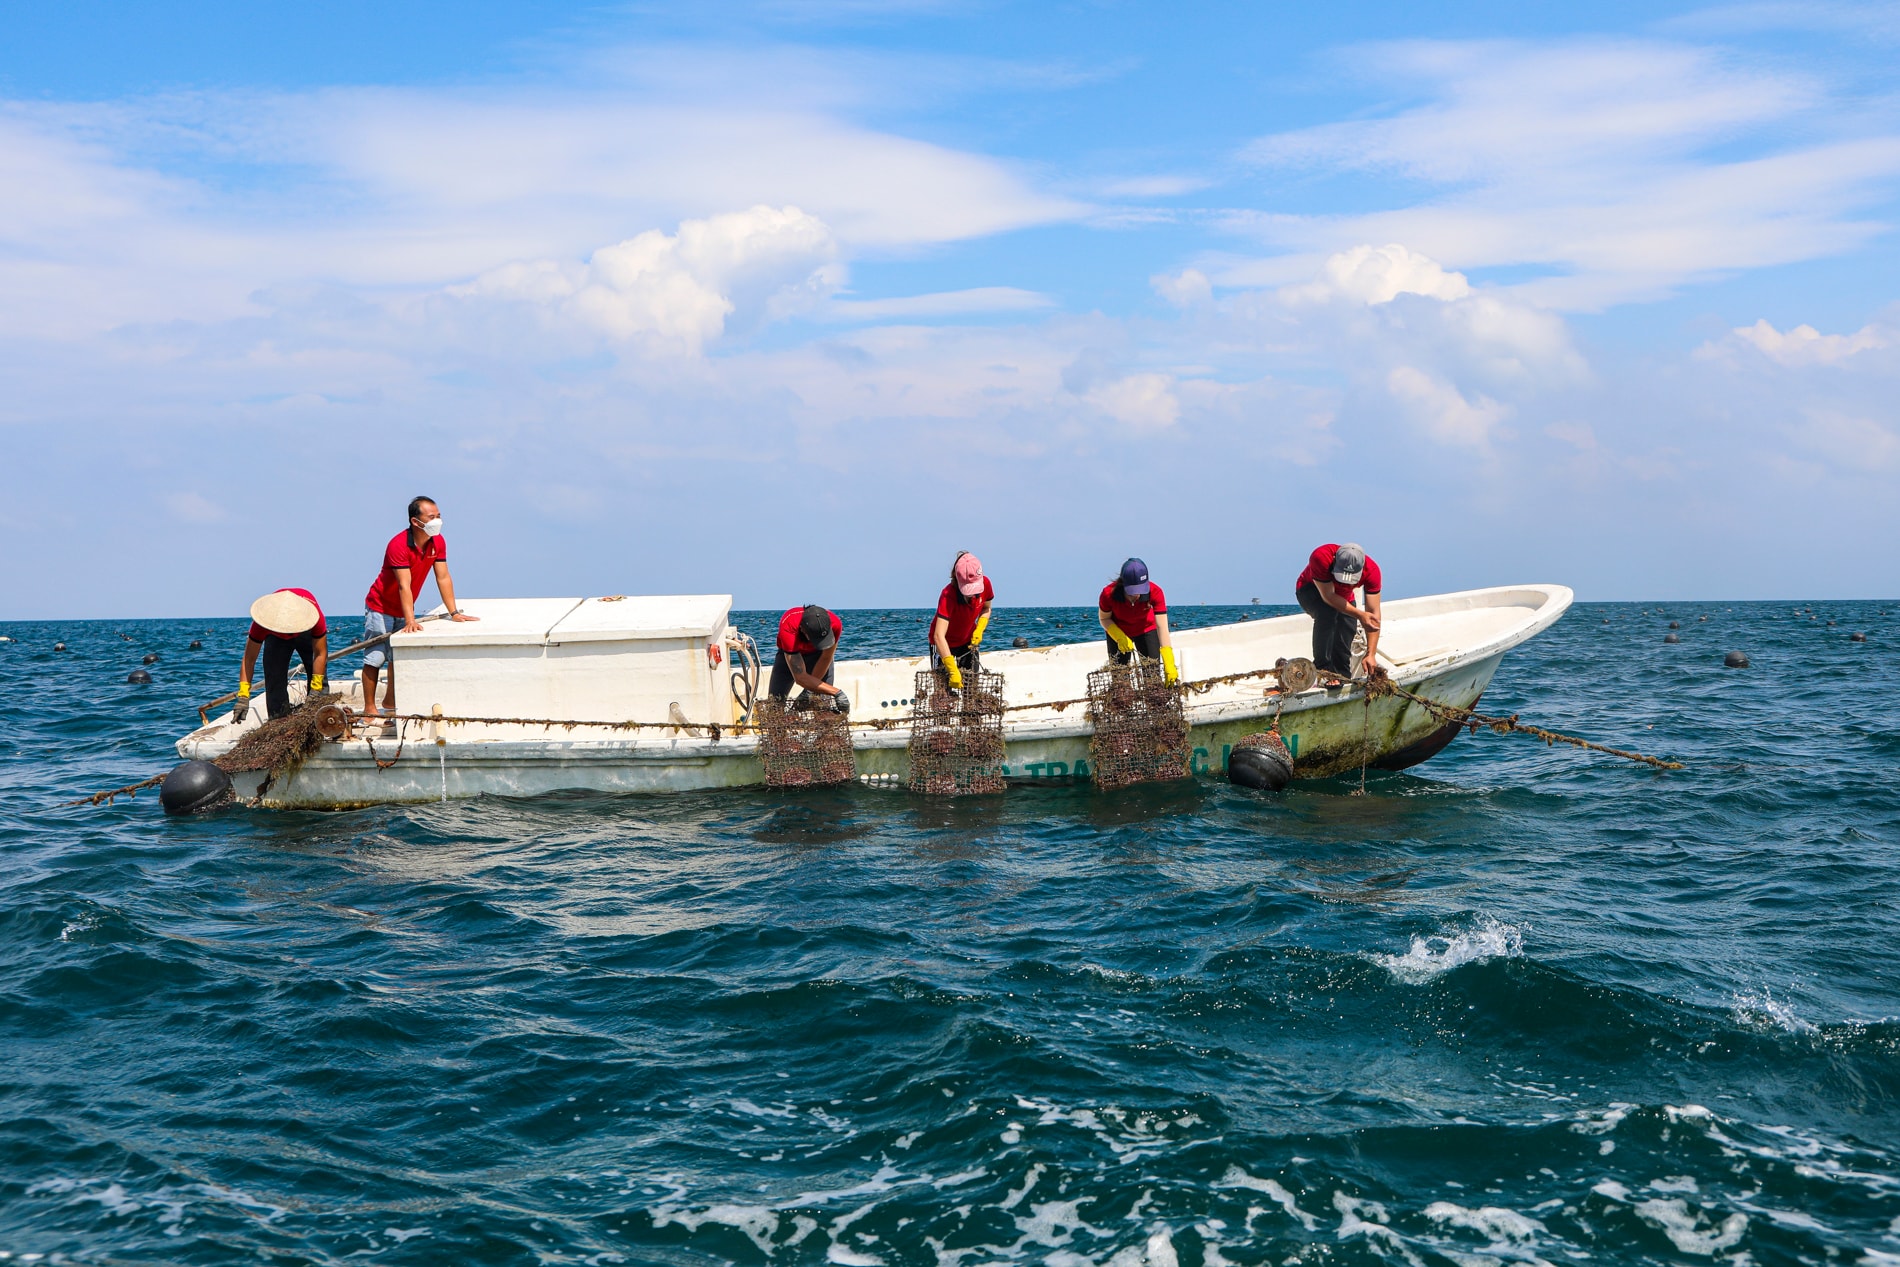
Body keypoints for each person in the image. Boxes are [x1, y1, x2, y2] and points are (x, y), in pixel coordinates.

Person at [362, 495, 479, 717]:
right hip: (380, 606)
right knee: (375, 657)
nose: (438, 521)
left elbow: (443, 577)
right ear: (416, 522)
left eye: (439, 516)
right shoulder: (398, 544)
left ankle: (390, 701)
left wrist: (454, 612)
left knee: (398, 657)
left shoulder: (438, 542)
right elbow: (403, 586)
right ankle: (369, 709)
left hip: (403, 608)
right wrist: (410, 620)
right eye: (431, 517)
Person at [237, 588, 328, 722]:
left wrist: (315, 690)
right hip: (274, 634)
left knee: (319, 686)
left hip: (305, 630)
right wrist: (243, 695)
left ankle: (322, 717)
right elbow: (249, 659)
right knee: (274, 677)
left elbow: (320, 654)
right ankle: (278, 720)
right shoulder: (262, 624)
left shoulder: (314, 617)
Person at [1295, 542, 1382, 677]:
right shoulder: (1321, 556)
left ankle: (1341, 674)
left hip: (1344, 597)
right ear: (1335, 560)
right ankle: (1323, 670)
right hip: (1311, 590)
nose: (1345, 583)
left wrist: (1371, 654)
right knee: (1328, 613)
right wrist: (1360, 614)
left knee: (1348, 624)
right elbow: (1328, 596)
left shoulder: (1372, 571)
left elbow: (1373, 616)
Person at [1097, 557, 1178, 683]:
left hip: (1146, 630)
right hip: (1119, 632)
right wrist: (1118, 636)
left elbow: (1162, 627)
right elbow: (1104, 618)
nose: (1136, 595)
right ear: (1122, 584)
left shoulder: (1155, 592)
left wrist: (1169, 659)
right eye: (1132, 591)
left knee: (1152, 676)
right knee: (1120, 680)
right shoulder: (1108, 594)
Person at [929, 552, 993, 692]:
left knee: (971, 690)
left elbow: (986, 609)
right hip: (944, 646)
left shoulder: (986, 584)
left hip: (968, 643)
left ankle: (969, 713)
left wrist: (980, 628)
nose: (972, 594)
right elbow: (938, 636)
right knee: (943, 694)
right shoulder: (948, 595)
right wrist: (951, 668)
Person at [770, 604, 849, 712]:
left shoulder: (835, 624)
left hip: (819, 656)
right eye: (817, 639)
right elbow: (800, 677)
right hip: (789, 655)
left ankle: (822, 726)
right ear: (803, 629)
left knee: (822, 706)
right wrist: (837, 692)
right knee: (775, 705)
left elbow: (826, 657)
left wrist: (809, 691)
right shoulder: (789, 625)